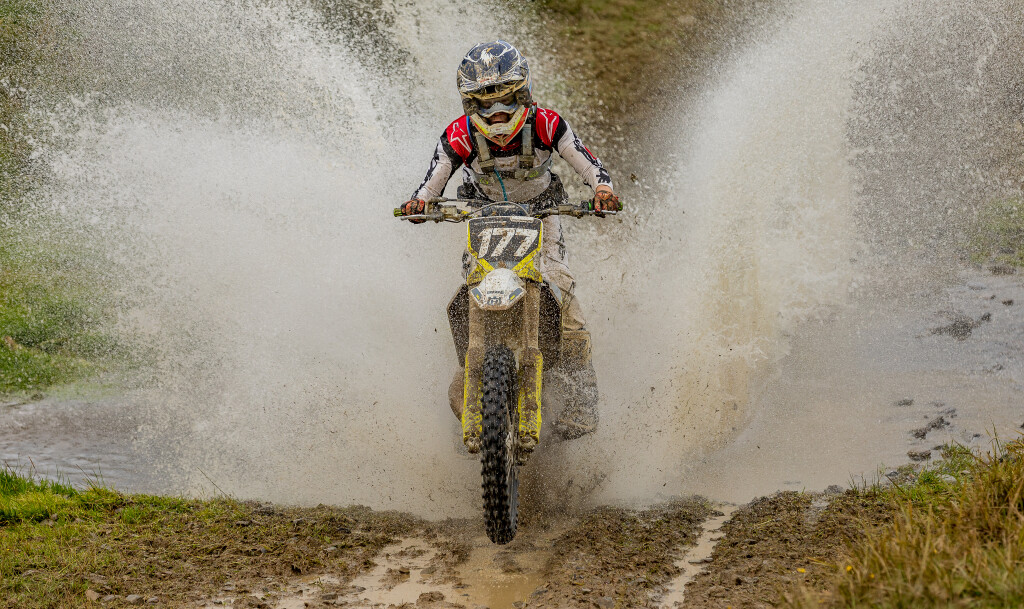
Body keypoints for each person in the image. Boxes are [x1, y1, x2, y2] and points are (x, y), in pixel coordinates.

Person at [399, 40, 620, 440]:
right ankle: (471, 380)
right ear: (470, 104)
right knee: (470, 289)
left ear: (523, 93)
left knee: (564, 292)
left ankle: (581, 398)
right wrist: (420, 202)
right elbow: (433, 180)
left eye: (505, 100)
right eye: (484, 103)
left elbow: (588, 163)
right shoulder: (458, 133)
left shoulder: (548, 124)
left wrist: (602, 189)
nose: (496, 112)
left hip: (542, 215)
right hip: (482, 219)